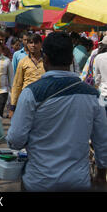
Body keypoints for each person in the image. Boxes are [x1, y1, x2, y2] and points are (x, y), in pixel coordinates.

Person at [6, 31, 107, 192]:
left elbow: (15, 140)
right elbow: (103, 142)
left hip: (38, 181)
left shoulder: (31, 93)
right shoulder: (94, 96)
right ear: (72, 59)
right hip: (78, 181)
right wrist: (101, 175)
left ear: (45, 59)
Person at [9, 33, 44, 118]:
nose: (33, 45)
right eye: (31, 43)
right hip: (27, 100)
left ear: (40, 44)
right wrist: (13, 106)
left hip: (44, 100)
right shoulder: (23, 62)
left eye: (36, 43)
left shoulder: (47, 61)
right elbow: (17, 84)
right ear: (27, 44)